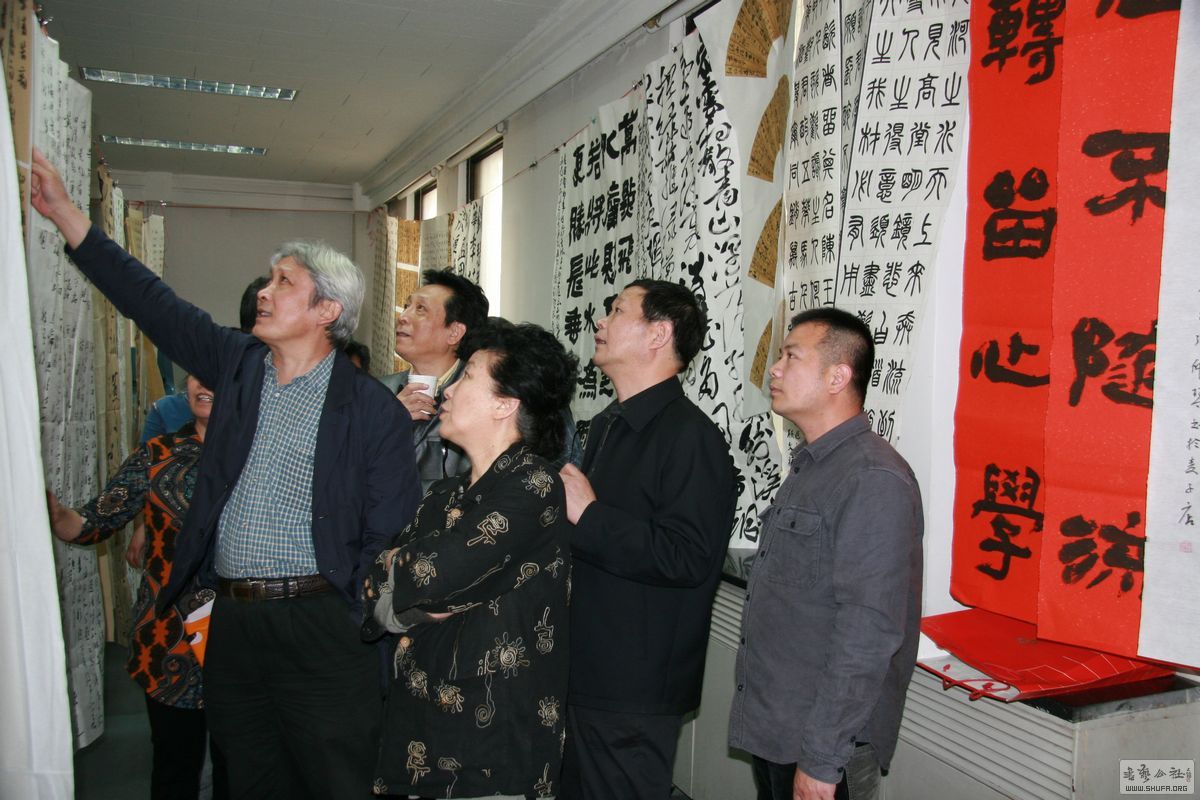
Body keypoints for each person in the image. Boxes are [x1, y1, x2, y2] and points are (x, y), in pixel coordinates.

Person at [30, 149, 421, 800]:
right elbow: (153, 303)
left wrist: (351, 618)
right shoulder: (238, 366)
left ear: (327, 311)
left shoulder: (371, 410)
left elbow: (389, 529)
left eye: (284, 282)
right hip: (233, 619)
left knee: (336, 777)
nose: (263, 291)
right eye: (268, 279)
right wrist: (68, 215)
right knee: (247, 775)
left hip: (320, 623)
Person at [363, 320, 577, 799]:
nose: (450, 389)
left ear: (505, 403)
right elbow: (376, 584)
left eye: (468, 377)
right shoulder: (443, 493)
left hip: (491, 740)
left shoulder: (533, 484)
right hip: (420, 725)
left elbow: (438, 573)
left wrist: (408, 582)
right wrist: (414, 595)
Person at [728, 308, 923, 800]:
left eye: (791, 356)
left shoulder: (872, 478)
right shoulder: (813, 466)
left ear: (838, 377)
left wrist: (821, 758)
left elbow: (868, 632)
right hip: (781, 731)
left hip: (824, 749)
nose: (774, 369)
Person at [558, 279, 737, 799]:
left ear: (659, 334)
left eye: (617, 311)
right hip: (585, 669)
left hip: (632, 687)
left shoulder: (690, 437)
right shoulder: (608, 424)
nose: (600, 321)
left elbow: (687, 556)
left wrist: (590, 515)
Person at [46, 375, 229, 800]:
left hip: (243, 638)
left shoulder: (264, 454)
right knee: (174, 765)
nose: (203, 383)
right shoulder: (156, 455)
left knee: (242, 768)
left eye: (217, 374)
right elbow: (95, 519)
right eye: (196, 373)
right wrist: (58, 517)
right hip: (168, 640)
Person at [381, 269, 490, 492]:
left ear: (454, 333)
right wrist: (388, 422)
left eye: (420, 309)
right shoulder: (378, 392)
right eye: (406, 306)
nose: (403, 316)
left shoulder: (480, 397)